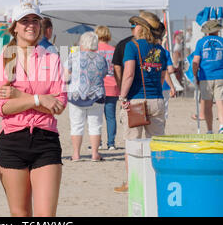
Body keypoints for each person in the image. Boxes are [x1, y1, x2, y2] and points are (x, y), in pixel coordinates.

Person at [0, 2, 67, 217]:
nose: (30, 25)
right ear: (14, 26)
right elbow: (2, 107)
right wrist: (39, 99)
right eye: (25, 21)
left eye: (35, 20)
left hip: (46, 141)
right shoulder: (4, 60)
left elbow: (59, 105)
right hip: (12, 141)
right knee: (21, 215)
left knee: (46, 216)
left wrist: (20, 97)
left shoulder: (52, 59)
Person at [114, 11, 167, 193]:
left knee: (133, 143)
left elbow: (128, 74)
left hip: (136, 100)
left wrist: (122, 97)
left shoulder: (132, 46)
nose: (133, 28)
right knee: (156, 143)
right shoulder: (160, 49)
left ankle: (132, 183)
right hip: (157, 100)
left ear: (142, 28)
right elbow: (161, 76)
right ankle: (155, 180)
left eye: (135, 25)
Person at [65, 31, 108, 161]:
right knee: (95, 125)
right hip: (96, 96)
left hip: (76, 96)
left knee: (76, 125)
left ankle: (76, 154)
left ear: (82, 43)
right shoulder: (101, 59)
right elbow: (104, 74)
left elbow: (65, 77)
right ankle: (95, 154)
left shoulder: (73, 57)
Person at [192, 20, 223, 134]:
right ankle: (222, 126)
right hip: (222, 75)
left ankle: (210, 129)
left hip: (206, 77)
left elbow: (195, 61)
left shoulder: (201, 42)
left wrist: (195, 75)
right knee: (221, 102)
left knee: (207, 104)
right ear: (217, 30)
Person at [95, 26, 120, 150]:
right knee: (110, 117)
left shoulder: (94, 50)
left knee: (96, 117)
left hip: (97, 86)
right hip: (112, 85)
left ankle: (97, 142)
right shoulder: (113, 50)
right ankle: (111, 143)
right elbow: (117, 69)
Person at [112, 21, 138, 90]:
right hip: (146, 86)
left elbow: (117, 67)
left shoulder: (122, 43)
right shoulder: (150, 44)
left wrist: (120, 86)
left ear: (131, 30)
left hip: (128, 85)